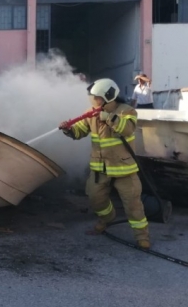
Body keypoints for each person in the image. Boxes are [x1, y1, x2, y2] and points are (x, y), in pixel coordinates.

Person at [58, 78, 150, 249]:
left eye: (98, 98)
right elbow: (80, 132)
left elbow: (127, 129)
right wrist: (69, 129)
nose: (95, 101)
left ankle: (142, 237)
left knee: (133, 205)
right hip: (100, 170)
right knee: (95, 200)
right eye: (94, 98)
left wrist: (109, 117)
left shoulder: (127, 111)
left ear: (109, 96)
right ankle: (107, 219)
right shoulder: (91, 113)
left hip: (124, 170)